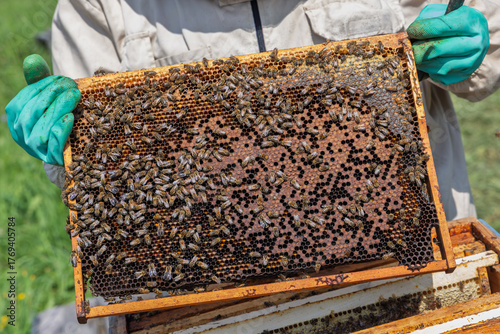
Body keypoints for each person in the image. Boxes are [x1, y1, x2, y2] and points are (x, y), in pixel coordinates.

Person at [5, 0, 498, 222]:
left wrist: (470, 42)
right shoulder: (99, 4)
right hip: (206, 301)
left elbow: (483, 21)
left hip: (410, 257)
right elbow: (96, 176)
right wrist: (63, 142)